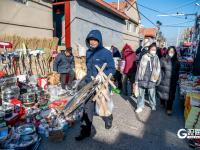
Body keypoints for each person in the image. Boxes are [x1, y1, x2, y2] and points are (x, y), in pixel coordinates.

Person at [75, 30, 115, 141]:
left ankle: (108, 118)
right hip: (90, 84)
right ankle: (85, 131)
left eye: (94, 40)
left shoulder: (106, 53)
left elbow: (112, 69)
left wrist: (102, 75)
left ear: (99, 40)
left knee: (103, 106)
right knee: (87, 108)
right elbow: (88, 69)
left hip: (102, 85)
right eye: (90, 40)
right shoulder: (88, 52)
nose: (92, 42)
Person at [135, 43, 161, 113]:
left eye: (154, 50)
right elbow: (139, 69)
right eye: (152, 49)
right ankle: (140, 106)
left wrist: (158, 79)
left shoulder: (156, 58)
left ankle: (153, 105)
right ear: (149, 50)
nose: (153, 51)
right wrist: (136, 80)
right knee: (140, 94)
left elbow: (158, 69)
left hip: (152, 79)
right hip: (142, 79)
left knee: (152, 94)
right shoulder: (144, 57)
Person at [157, 46, 180, 115]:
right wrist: (160, 77)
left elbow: (177, 72)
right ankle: (162, 102)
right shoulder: (163, 59)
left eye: (173, 51)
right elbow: (159, 69)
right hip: (164, 80)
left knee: (171, 95)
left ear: (175, 52)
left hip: (172, 81)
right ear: (167, 51)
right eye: (170, 51)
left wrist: (176, 79)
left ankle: (169, 108)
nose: (171, 53)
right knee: (163, 92)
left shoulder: (177, 62)